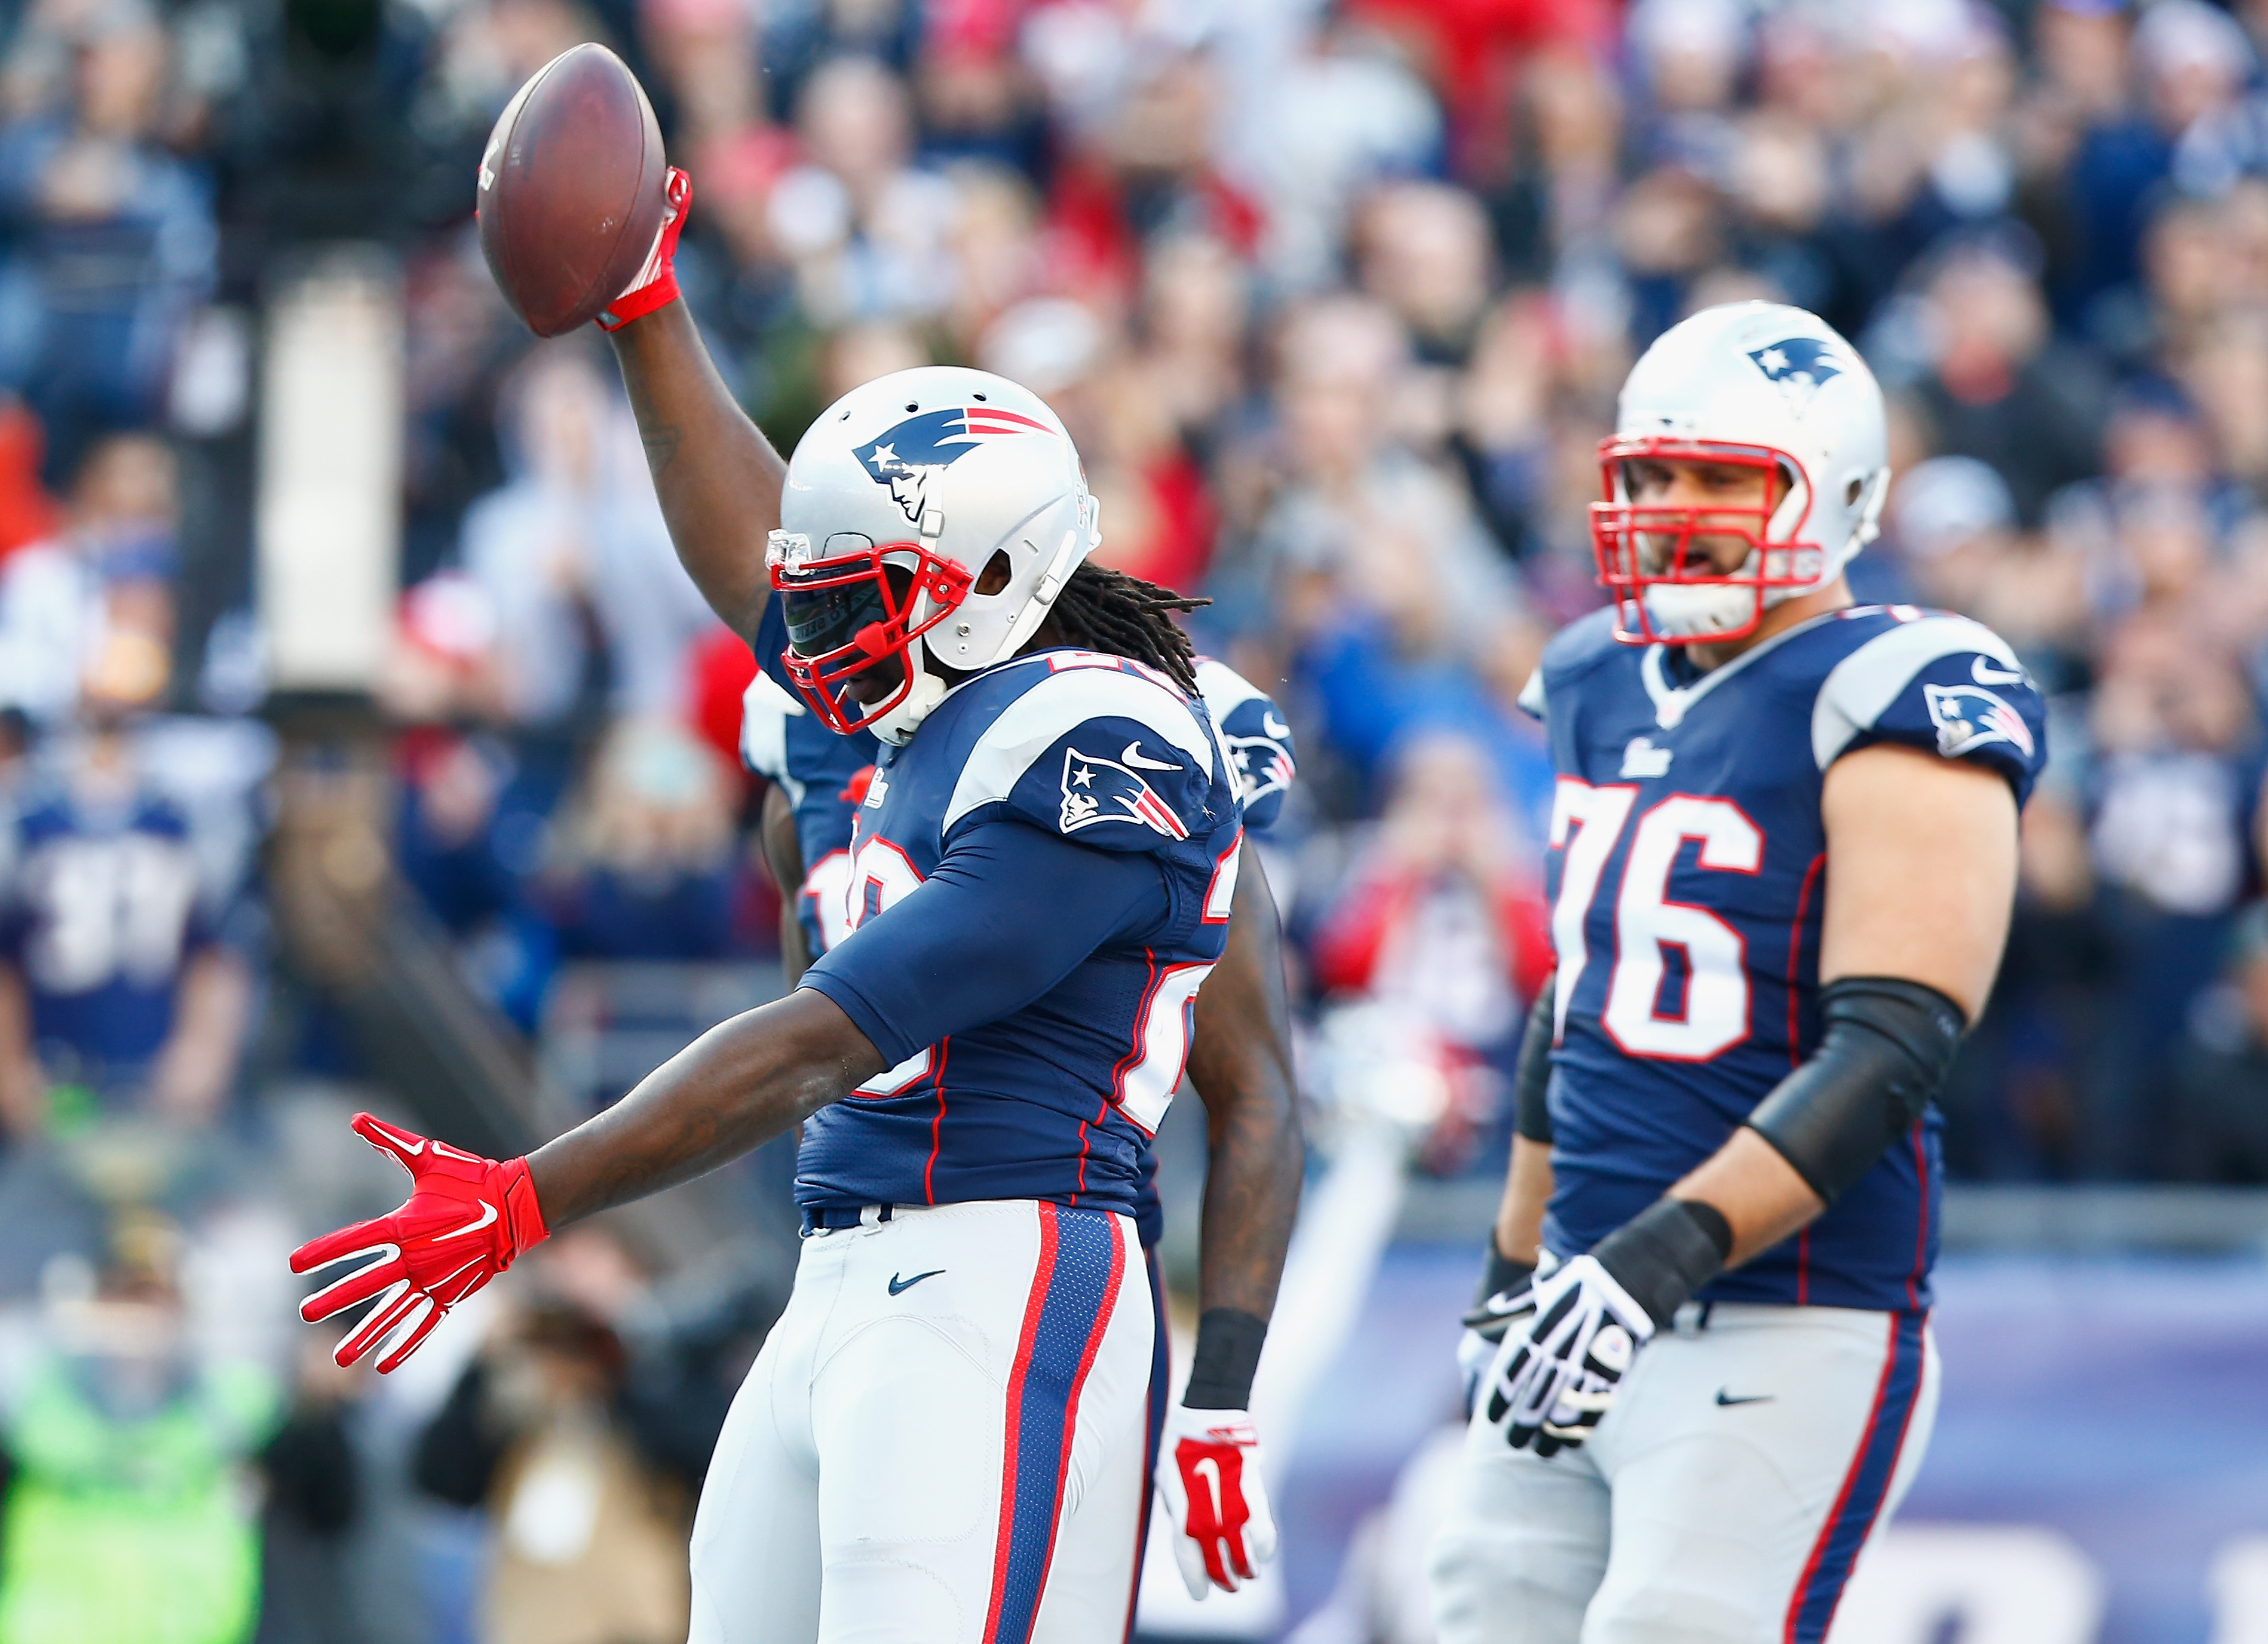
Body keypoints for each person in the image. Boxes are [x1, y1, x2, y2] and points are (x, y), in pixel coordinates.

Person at [291, 165, 1302, 1644]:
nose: (814, 635)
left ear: (994, 578)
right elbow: (748, 551)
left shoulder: (1107, 733)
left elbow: (834, 1033)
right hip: (841, 1257)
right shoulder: (873, 715)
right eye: (816, 594)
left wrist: (528, 1195)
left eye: (861, 594)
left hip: (1010, 1256)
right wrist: (643, 309)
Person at [1426, 301, 2047, 1643]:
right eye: (1651, 472)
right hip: (1577, 1301)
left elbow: (1890, 1047)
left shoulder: (1898, 681)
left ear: (1834, 495)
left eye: (1721, 474)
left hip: (1784, 1316)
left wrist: (1647, 1262)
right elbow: (1575, 1006)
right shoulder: (1595, 672)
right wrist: (1511, 1268)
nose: (1674, 505)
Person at [740, 597, 1301, 1622]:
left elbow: (1257, 1084)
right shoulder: (820, 741)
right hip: (852, 1249)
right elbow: (807, 1042)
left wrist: (1221, 1394)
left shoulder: (1113, 735)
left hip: (1040, 1246)